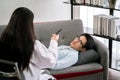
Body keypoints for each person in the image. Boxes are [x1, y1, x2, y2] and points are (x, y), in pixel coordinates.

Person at [0, 7, 59, 80]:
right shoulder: (32, 45)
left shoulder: (2, 40)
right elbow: (51, 62)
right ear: (28, 25)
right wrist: (54, 42)